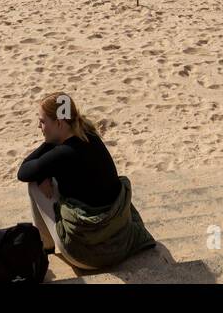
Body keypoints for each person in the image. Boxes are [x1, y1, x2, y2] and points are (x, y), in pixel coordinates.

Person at [16, 92, 154, 270]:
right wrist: (54, 141)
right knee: (44, 175)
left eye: (43, 122)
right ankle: (47, 244)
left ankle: (45, 247)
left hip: (86, 256)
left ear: (59, 123)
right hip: (120, 243)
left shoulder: (62, 154)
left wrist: (48, 144)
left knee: (34, 183)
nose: (39, 126)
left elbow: (23, 171)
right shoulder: (91, 137)